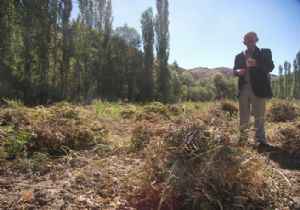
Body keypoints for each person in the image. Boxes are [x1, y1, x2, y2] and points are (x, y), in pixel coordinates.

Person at [233, 31, 274, 147]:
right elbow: (234, 70)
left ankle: (260, 141)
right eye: (247, 38)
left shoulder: (265, 53)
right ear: (244, 42)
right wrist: (237, 72)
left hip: (259, 89)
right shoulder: (239, 56)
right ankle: (242, 140)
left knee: (259, 116)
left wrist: (257, 64)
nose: (249, 38)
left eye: (252, 37)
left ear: (257, 40)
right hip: (243, 89)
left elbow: (270, 67)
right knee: (243, 116)